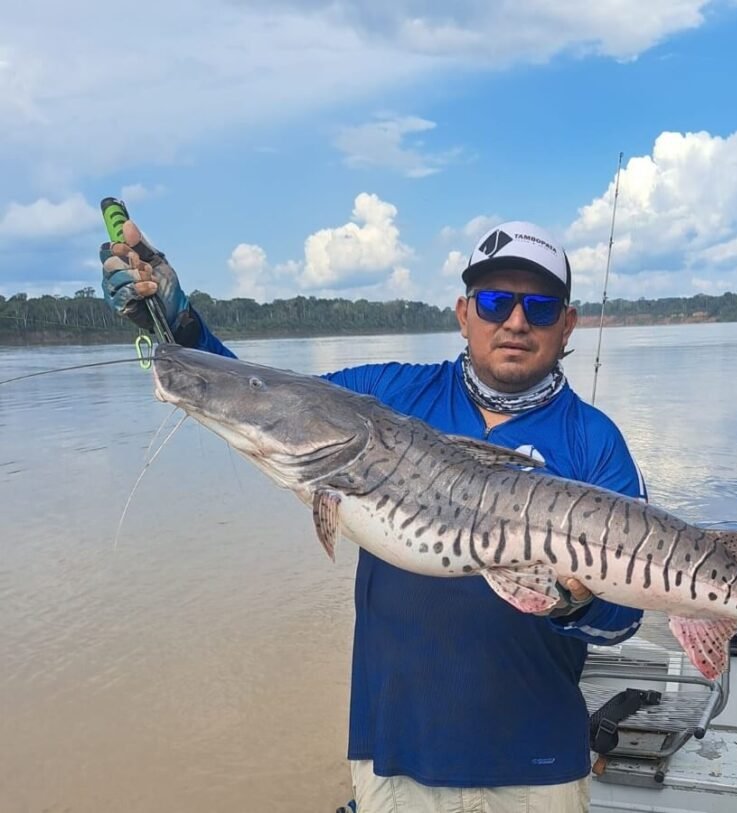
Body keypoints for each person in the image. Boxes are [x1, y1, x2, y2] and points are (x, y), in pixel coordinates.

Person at [101, 219, 647, 813]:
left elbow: (625, 620)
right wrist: (179, 326)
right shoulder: (386, 397)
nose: (515, 322)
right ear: (464, 313)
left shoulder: (596, 442)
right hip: (394, 756)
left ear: (567, 324)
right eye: (495, 302)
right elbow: (272, 404)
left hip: (537, 769)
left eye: (539, 308)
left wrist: (577, 601)